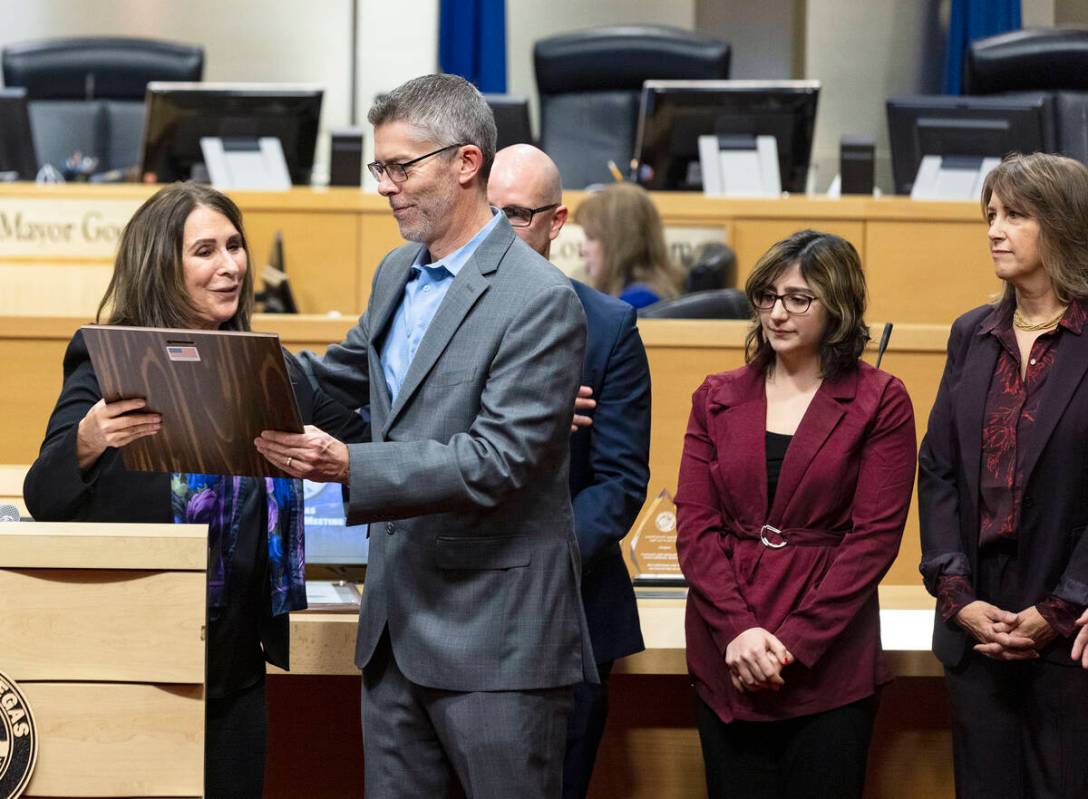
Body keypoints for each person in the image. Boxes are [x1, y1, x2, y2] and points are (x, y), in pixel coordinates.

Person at [254, 74, 593, 798]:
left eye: (400, 167)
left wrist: (350, 465)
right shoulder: (395, 273)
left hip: (498, 647)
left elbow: (495, 461)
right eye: (380, 168)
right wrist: (235, 349)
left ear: (466, 163)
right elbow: (342, 385)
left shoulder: (540, 300)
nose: (385, 186)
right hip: (395, 637)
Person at [21, 182, 366, 797]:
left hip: (235, 661)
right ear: (162, 265)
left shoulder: (274, 370)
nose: (230, 266)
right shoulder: (109, 362)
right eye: (205, 250)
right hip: (133, 659)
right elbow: (45, 496)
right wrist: (89, 436)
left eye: (235, 246)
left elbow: (371, 441)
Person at [674, 230, 916, 799]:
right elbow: (695, 529)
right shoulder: (717, 395)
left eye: (798, 299)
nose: (777, 313)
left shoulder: (879, 399)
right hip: (726, 647)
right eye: (767, 296)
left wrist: (791, 645)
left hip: (829, 658)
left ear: (838, 306)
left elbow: (874, 541)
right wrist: (739, 632)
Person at [918, 152, 1088, 798]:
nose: (995, 229)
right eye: (991, 214)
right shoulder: (973, 333)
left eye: (1016, 215)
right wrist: (956, 591)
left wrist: (1061, 605)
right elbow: (937, 469)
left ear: (1063, 224)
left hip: (1069, 630)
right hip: (978, 623)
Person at [488, 143, 650, 799]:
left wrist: (531, 559)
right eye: (486, 212)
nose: (495, 232)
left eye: (517, 216)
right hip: (452, 607)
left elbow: (617, 484)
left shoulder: (607, 327)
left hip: (566, 612)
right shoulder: (430, 312)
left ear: (557, 224)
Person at [573, 182, 683, 309]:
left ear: (619, 243)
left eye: (591, 238)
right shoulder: (652, 292)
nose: (583, 250)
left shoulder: (635, 304)